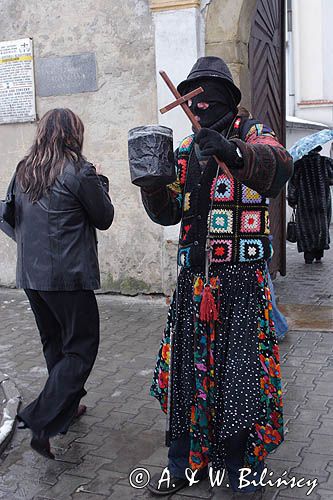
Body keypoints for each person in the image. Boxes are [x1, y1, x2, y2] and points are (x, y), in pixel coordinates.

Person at [139, 57, 293, 495]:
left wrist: (234, 152)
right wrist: (153, 183)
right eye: (192, 94)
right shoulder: (186, 150)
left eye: (207, 94)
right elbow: (169, 210)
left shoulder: (252, 133)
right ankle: (185, 461)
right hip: (194, 286)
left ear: (227, 98)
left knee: (241, 378)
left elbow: (279, 168)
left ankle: (242, 469)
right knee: (189, 376)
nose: (199, 104)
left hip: (242, 285)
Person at [2, 108, 114, 459]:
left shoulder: (24, 170)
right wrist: (101, 181)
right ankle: (40, 417)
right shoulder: (79, 171)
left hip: (32, 277)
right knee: (80, 348)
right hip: (69, 276)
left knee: (55, 345)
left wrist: (28, 245)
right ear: (73, 134)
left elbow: (6, 216)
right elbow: (104, 217)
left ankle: (63, 411)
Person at [288, 146, 333, 264]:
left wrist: (292, 200)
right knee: (321, 226)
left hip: (305, 203)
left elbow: (292, 185)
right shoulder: (326, 162)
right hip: (322, 202)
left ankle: (308, 255)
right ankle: (319, 254)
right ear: (318, 150)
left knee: (306, 227)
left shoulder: (299, 165)